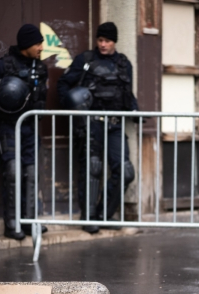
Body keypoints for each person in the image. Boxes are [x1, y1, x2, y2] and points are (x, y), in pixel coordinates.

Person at [57, 22, 138, 234]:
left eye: (107, 41)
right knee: (92, 168)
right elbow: (63, 85)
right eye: (100, 40)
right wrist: (73, 105)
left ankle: (105, 214)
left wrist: (135, 109)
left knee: (125, 171)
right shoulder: (85, 60)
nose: (103, 44)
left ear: (115, 41)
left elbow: (127, 92)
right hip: (91, 123)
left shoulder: (124, 64)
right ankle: (89, 216)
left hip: (115, 124)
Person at [0, 24, 48, 240]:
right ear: (27, 44)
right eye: (37, 43)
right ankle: (12, 224)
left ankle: (29, 221)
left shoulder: (41, 67)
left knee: (31, 173)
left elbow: (42, 97)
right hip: (7, 127)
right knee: (14, 171)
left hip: (29, 126)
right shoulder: (2, 67)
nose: (41, 47)